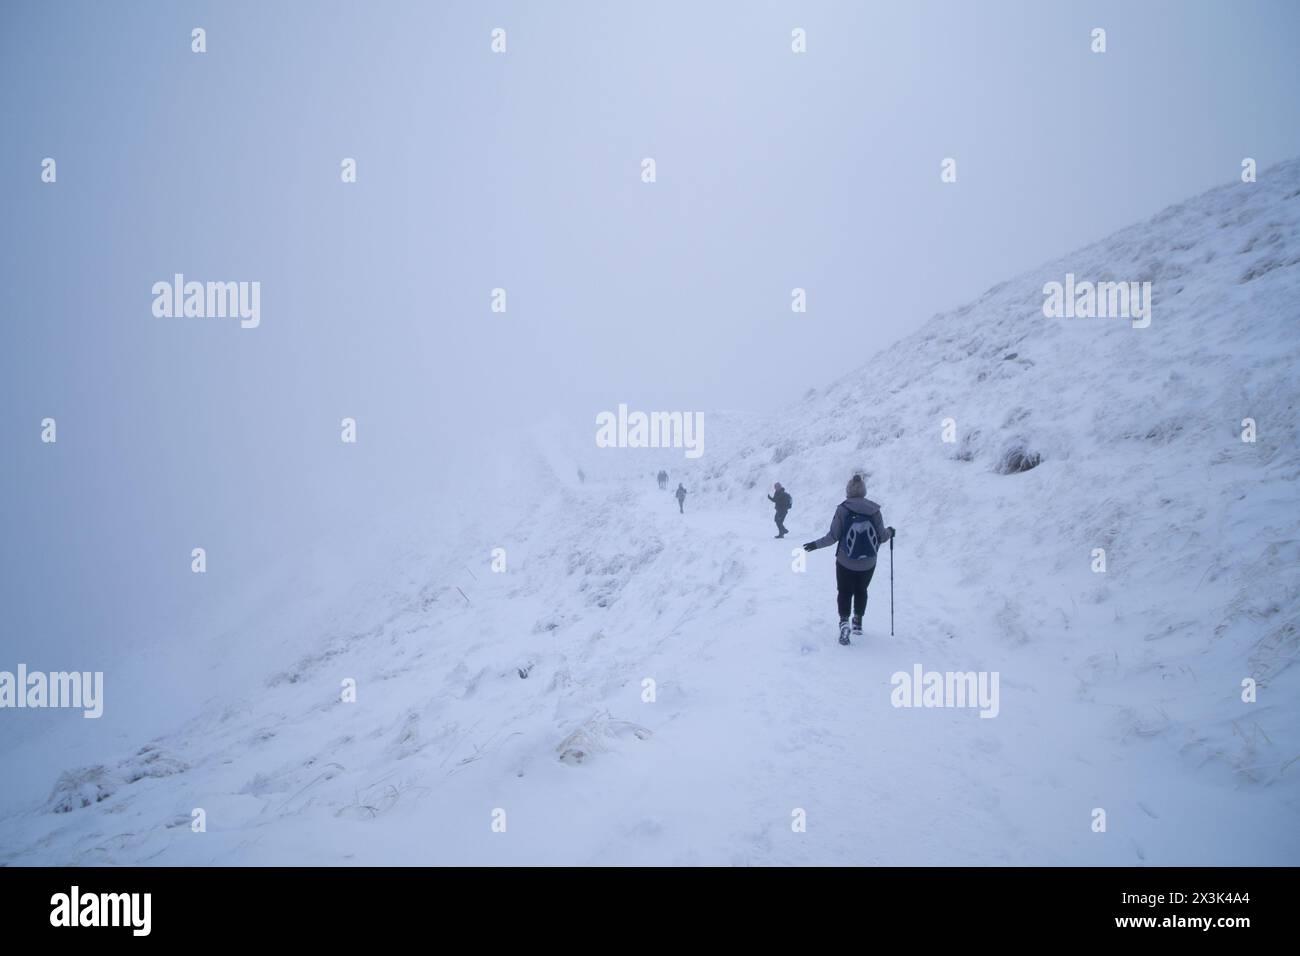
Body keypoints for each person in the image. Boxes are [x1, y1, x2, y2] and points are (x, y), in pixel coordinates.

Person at [803, 474, 894, 645]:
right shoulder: (874, 509)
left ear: (848, 491)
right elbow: (882, 537)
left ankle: (844, 621)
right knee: (862, 590)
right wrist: (890, 531)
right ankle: (858, 622)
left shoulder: (843, 509)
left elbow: (833, 536)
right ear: (864, 491)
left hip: (845, 561)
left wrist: (815, 545)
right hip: (868, 562)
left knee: (844, 591)